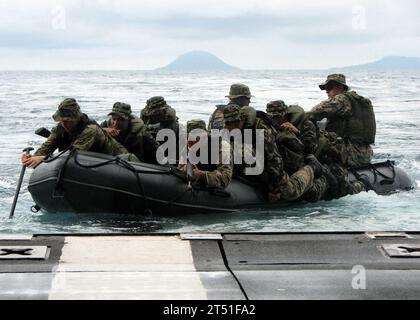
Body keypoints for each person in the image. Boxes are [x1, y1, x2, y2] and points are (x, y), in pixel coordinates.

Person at [223, 104, 324, 203]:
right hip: (254, 163)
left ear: (242, 119)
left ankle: (311, 168)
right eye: (228, 124)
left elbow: (274, 159)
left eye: (236, 123)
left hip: (276, 161)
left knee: (289, 192)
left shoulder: (261, 129)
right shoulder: (227, 130)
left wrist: (274, 189)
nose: (232, 127)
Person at [21, 98, 132, 169]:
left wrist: (44, 158)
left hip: (120, 161)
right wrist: (30, 159)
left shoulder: (90, 129)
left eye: (68, 121)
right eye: (62, 120)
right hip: (92, 164)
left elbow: (72, 153)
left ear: (77, 118)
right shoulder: (59, 129)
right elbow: (46, 148)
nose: (65, 124)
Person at [309, 74, 376, 168]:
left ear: (340, 87)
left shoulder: (341, 99)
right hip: (364, 154)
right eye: (325, 88)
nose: (326, 91)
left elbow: (315, 112)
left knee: (318, 139)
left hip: (350, 153)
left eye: (329, 87)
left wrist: (294, 116)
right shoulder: (354, 100)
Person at [266, 100, 319, 174]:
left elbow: (310, 149)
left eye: (277, 116)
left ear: (285, 114)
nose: (274, 120)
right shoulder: (272, 124)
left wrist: (297, 133)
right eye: (271, 117)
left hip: (304, 159)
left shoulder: (305, 123)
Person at [178, 120, 233, 190]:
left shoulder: (222, 147)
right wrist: (188, 169)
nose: (189, 142)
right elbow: (179, 168)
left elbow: (225, 178)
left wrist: (204, 175)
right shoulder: (189, 146)